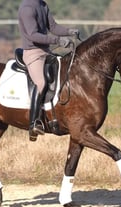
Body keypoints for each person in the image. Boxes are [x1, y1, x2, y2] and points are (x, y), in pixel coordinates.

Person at [18, 0, 78, 141]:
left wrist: (69, 32)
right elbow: (33, 35)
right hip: (33, 53)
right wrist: (58, 40)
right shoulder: (27, 8)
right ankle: (34, 123)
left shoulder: (42, 5)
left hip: (46, 52)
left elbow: (53, 27)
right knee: (41, 83)